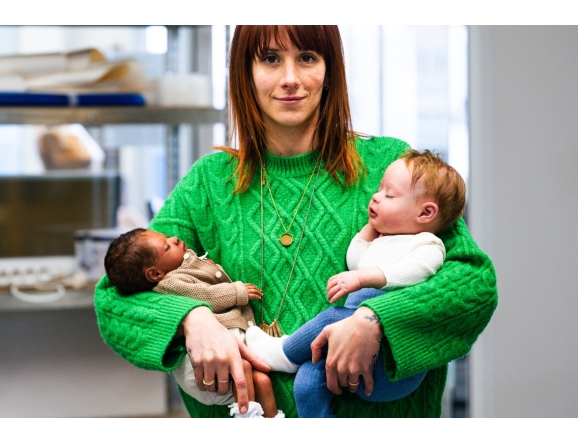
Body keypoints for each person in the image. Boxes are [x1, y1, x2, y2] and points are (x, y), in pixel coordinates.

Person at [94, 25, 498, 418]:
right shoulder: (209, 182)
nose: (290, 79)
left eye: (307, 57)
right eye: (270, 59)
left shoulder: (390, 168)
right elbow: (115, 295)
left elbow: (473, 283)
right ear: (244, 73)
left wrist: (376, 321)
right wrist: (191, 319)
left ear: (330, 71)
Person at [245, 148, 465, 417]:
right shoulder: (384, 239)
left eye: (389, 194)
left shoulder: (427, 244)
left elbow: (414, 272)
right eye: (379, 189)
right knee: (307, 382)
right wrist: (370, 230)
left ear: (426, 212)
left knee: (333, 318)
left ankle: (283, 353)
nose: (376, 196)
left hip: (393, 364)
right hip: (347, 354)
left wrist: (362, 279)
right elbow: (356, 259)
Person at [103, 228, 283, 418]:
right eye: (167, 246)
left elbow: (203, 275)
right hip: (203, 371)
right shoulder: (170, 283)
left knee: (262, 381)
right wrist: (237, 293)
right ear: (154, 274)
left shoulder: (182, 265)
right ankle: (246, 416)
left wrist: (207, 266)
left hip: (226, 358)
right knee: (244, 368)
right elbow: (206, 295)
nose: (174, 238)